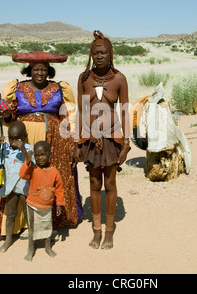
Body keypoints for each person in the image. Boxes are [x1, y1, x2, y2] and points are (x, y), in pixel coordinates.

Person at [0, 51, 83, 240]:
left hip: (54, 142)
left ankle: (51, 223)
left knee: (50, 179)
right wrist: (6, 115)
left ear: (49, 71)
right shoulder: (17, 87)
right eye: (36, 69)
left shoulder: (59, 88)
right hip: (25, 139)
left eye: (43, 69)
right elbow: (9, 116)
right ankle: (21, 224)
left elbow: (69, 116)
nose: (40, 73)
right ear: (29, 71)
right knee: (21, 178)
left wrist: (72, 143)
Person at [74, 30, 131, 250]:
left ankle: (109, 232)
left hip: (112, 138)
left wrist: (126, 144)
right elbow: (80, 112)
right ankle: (96, 231)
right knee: (94, 183)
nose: (99, 56)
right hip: (89, 138)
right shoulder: (84, 78)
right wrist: (77, 143)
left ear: (110, 54)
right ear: (91, 54)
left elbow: (125, 111)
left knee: (110, 183)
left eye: (103, 52)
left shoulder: (119, 79)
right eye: (95, 52)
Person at [0, 121, 33, 252]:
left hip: (25, 188)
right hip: (10, 187)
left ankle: (31, 241)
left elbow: (29, 165)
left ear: (25, 136)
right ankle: (8, 241)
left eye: (17, 138)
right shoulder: (4, 149)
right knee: (11, 213)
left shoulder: (29, 149)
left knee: (28, 213)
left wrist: (22, 148)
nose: (14, 142)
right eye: (11, 138)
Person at [19, 141, 64, 261]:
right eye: (37, 155)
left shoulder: (54, 172)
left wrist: (59, 204)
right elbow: (22, 175)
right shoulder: (33, 168)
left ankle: (48, 247)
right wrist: (27, 162)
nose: (39, 158)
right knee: (32, 228)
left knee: (47, 227)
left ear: (50, 154)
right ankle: (31, 249)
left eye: (42, 154)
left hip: (47, 207)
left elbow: (59, 189)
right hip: (33, 205)